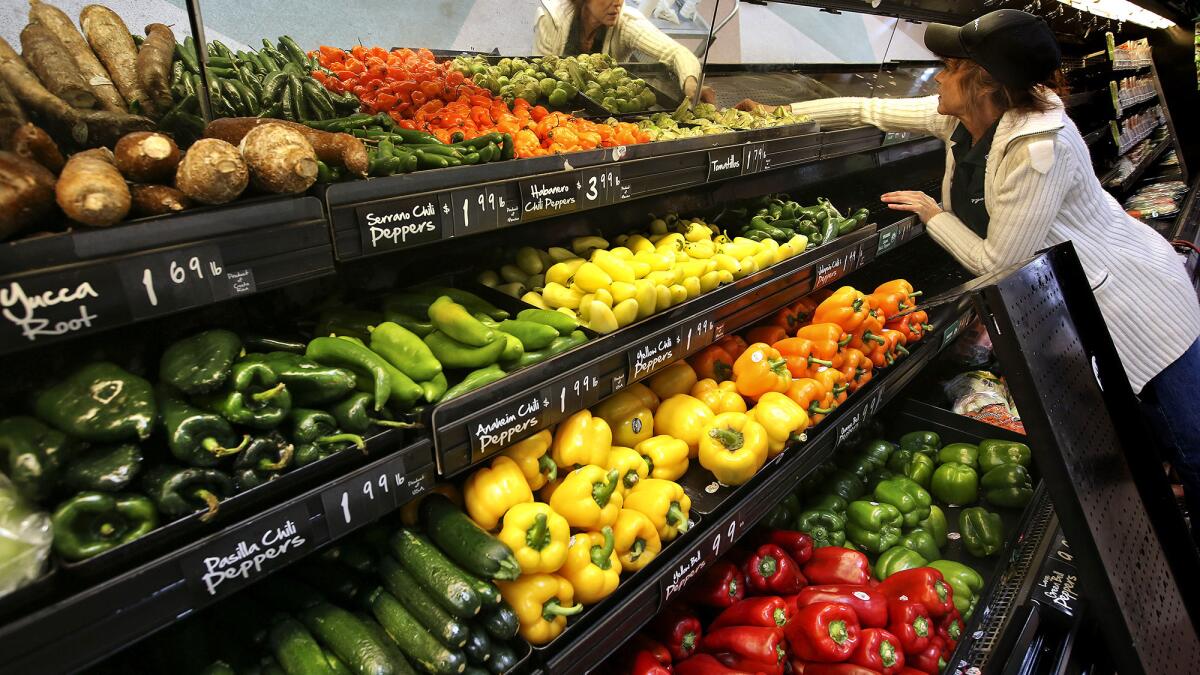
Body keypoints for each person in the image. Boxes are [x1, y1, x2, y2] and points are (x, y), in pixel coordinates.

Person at [738, 10, 1200, 526]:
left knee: (1190, 439)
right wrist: (773, 113)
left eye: (951, 65)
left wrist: (933, 216)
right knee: (1152, 434)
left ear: (985, 83)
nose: (937, 75)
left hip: (1136, 301)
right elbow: (871, 108)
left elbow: (1000, 263)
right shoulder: (967, 116)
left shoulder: (1037, 150)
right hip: (1084, 296)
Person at [534, 0, 715, 102]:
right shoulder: (551, 20)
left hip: (605, 114)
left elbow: (675, 52)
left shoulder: (625, 22)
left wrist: (691, 83)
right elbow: (541, 77)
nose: (617, 4)